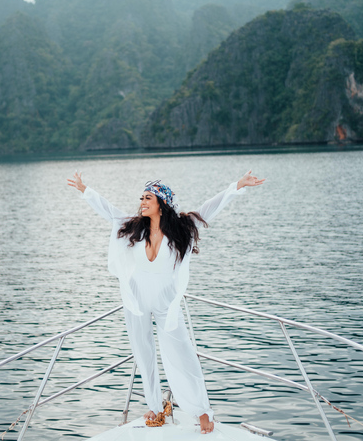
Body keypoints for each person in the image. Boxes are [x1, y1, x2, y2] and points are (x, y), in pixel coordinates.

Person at [67, 170, 265, 434]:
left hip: (166, 303)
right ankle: (155, 406)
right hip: (136, 300)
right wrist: (85, 190)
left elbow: (208, 209)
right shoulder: (135, 227)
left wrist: (236, 187)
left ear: (162, 203)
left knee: (181, 353)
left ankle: (202, 410)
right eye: (142, 197)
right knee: (143, 354)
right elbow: (109, 210)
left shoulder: (181, 228)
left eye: (148, 197)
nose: (142, 201)